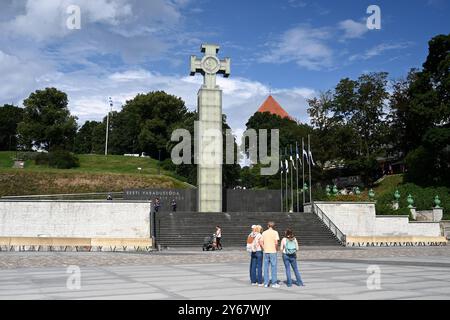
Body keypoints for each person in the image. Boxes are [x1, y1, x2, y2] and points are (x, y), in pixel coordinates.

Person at [262, 221, 280, 288]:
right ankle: (274, 283)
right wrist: (276, 249)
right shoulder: (275, 232)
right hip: (273, 251)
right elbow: (276, 243)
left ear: (268, 226)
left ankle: (266, 283)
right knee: (273, 267)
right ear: (273, 226)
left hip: (266, 251)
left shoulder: (264, 233)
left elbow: (261, 241)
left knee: (266, 267)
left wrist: (264, 248)